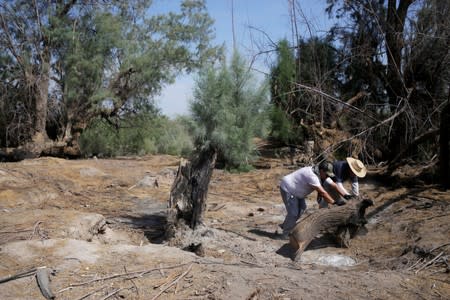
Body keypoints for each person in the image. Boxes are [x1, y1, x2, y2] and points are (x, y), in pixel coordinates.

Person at [279, 161, 345, 238]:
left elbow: (333, 185)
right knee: (293, 213)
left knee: (302, 208)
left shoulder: (319, 173)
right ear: (321, 171)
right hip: (288, 189)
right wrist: (334, 203)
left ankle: (285, 225)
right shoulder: (312, 176)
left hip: (297, 192)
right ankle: (284, 235)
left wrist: (345, 195)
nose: (327, 176)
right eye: (326, 174)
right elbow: (323, 193)